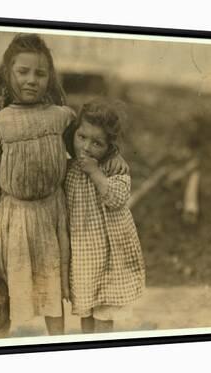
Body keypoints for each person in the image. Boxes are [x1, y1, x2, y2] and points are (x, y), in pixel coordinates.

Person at [0, 34, 127, 337]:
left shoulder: (63, 118)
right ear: (8, 74)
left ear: (50, 77)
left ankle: (58, 345)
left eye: (40, 73)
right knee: (4, 294)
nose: (32, 80)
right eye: (23, 72)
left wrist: (115, 156)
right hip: (13, 221)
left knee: (53, 293)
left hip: (53, 216)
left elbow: (91, 141)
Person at [63, 98, 146, 334]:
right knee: (86, 307)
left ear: (110, 147)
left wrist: (96, 172)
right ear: (74, 134)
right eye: (82, 137)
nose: (87, 147)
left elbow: (117, 199)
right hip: (83, 253)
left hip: (110, 253)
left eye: (97, 143)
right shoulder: (68, 169)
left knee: (104, 311)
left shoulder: (113, 170)